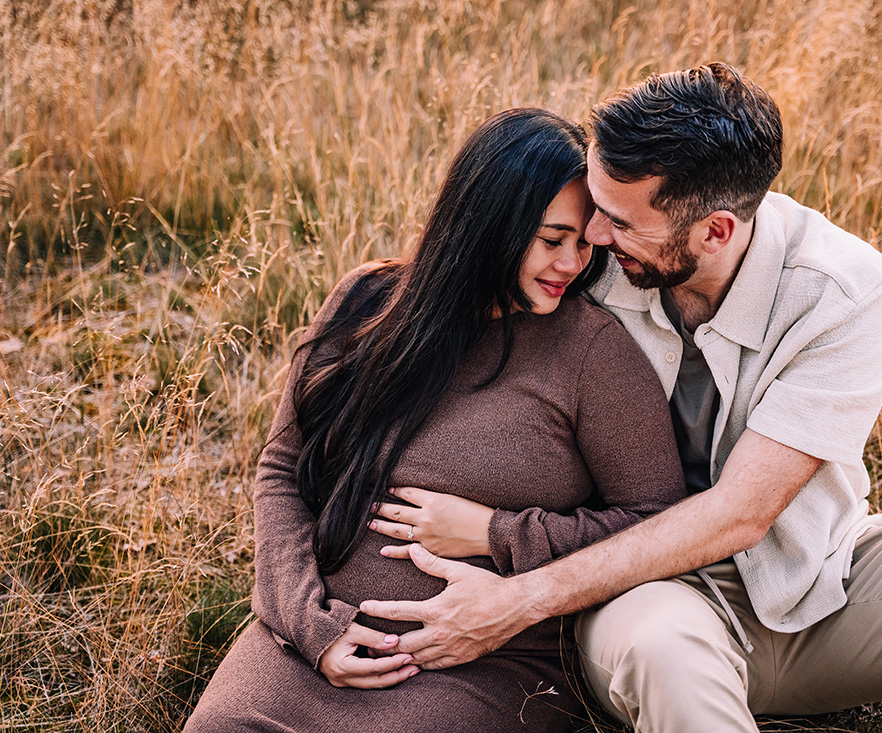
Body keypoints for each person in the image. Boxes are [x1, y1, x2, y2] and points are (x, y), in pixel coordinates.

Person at [357, 64, 882, 732]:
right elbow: (467, 288)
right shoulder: (589, 262)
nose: (592, 234)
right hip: (639, 599)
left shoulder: (839, 290)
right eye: (595, 206)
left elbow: (743, 513)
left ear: (715, 230)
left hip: (816, 589)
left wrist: (517, 600)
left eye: (620, 221)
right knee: (667, 652)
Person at [184, 108, 687, 732]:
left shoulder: (593, 353)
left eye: (584, 243)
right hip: (308, 641)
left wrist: (501, 533)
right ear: (488, 226)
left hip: (484, 660)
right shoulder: (368, 301)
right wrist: (311, 625)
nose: (572, 264)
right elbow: (283, 468)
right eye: (551, 240)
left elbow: (657, 523)